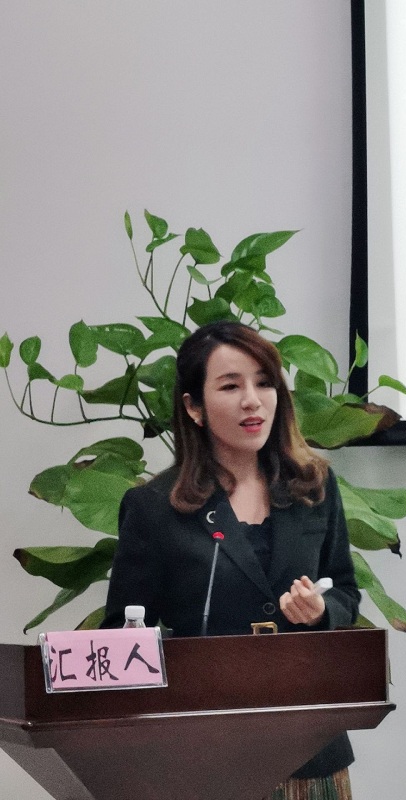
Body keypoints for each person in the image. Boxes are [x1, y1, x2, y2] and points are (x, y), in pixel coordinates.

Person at [101, 320, 360, 800]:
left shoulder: (313, 487)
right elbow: (123, 634)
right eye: (230, 386)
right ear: (193, 407)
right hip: (202, 757)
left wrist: (322, 611)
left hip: (309, 751)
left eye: (264, 383)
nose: (252, 400)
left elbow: (344, 590)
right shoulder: (154, 507)